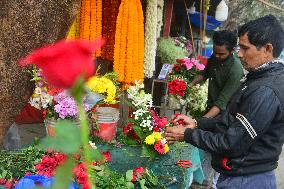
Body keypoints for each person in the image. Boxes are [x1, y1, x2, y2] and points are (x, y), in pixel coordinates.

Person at [165, 14, 284, 189]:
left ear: (267, 49)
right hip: (242, 175)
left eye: (245, 48)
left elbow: (231, 143)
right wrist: (198, 123)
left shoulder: (264, 90)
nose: (240, 54)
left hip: (247, 180)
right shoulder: (259, 78)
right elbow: (230, 122)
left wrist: (186, 134)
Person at [191, 30, 243, 118]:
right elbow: (204, 74)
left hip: (222, 116)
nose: (217, 56)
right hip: (210, 108)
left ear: (232, 51)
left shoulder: (235, 70)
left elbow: (221, 103)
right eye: (215, 52)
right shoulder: (215, 57)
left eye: (221, 54)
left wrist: (200, 121)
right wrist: (190, 85)